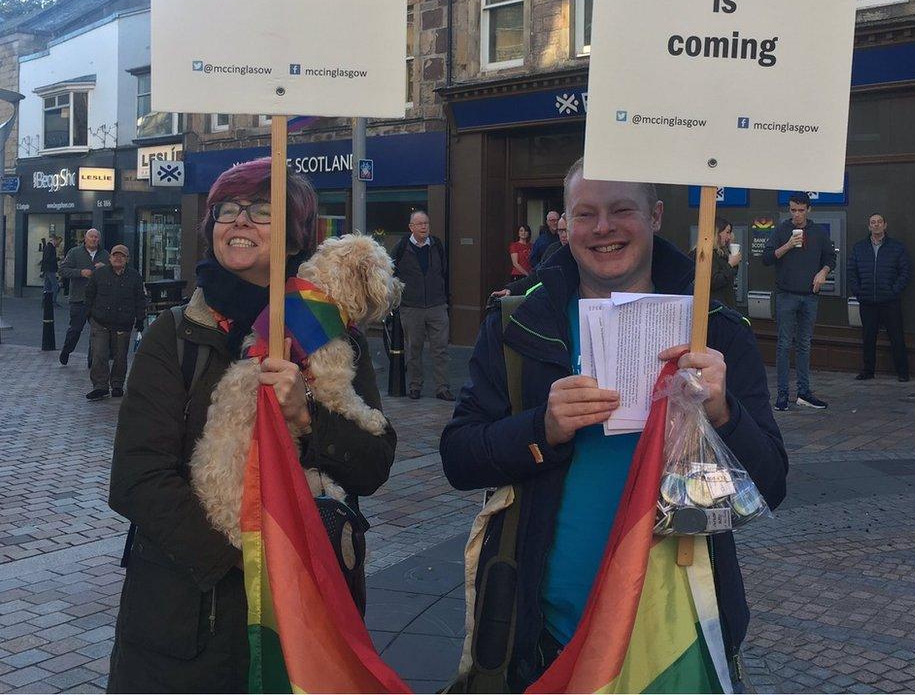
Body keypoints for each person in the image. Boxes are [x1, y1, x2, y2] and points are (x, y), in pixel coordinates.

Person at [440, 158, 787, 691]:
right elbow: (459, 456)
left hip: (679, 632)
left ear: (656, 216)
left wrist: (723, 414)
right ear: (564, 225)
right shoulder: (519, 324)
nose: (603, 228)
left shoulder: (716, 332)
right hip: (546, 629)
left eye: (622, 210)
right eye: (585, 214)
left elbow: (771, 484)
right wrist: (543, 428)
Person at [107, 158, 396, 693]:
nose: (239, 222)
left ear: (295, 236)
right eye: (226, 211)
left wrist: (306, 415)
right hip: (189, 620)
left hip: (309, 611)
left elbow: (374, 467)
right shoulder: (175, 335)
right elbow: (136, 479)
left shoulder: (330, 329)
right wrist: (254, 563)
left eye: (262, 212)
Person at [762, 193, 834, 412]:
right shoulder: (782, 230)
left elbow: (831, 258)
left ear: (809, 210)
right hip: (786, 295)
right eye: (793, 210)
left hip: (810, 295)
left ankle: (804, 393)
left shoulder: (819, 232)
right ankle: (782, 394)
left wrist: (823, 272)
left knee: (804, 344)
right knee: (784, 345)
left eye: (801, 210)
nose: (797, 214)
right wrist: (788, 245)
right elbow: (766, 258)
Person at [392, 210, 453, 401]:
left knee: (441, 349)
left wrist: (444, 299)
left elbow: (444, 271)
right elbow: (391, 273)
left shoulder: (436, 245)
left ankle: (442, 388)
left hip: (437, 305)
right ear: (411, 227)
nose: (424, 227)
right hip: (411, 307)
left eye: (426, 223)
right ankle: (415, 386)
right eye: (419, 224)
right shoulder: (402, 247)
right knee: (413, 349)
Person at [848, 213, 911, 382]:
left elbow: (905, 273)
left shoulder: (897, 248)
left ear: (885, 225)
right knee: (868, 338)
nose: (876, 225)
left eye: (879, 222)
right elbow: (851, 272)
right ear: (869, 226)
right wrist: (859, 292)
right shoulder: (859, 248)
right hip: (867, 301)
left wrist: (893, 290)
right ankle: (868, 371)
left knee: (896, 337)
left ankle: (903, 372)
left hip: (889, 301)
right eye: (872, 223)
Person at [84, 244, 147, 400]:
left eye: (122, 256)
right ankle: (100, 386)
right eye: (115, 255)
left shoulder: (135, 277)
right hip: (100, 321)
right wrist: (89, 316)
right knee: (99, 354)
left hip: (123, 323)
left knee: (120, 356)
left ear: (127, 259)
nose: (118, 258)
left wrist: (140, 318)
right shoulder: (99, 274)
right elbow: (89, 295)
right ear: (110, 257)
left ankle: (117, 384)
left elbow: (140, 299)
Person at [59, 229, 111, 365]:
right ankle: (66, 351)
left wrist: (105, 268)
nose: (94, 239)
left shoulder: (105, 255)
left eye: (96, 237)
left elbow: (113, 274)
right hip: (79, 298)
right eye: (91, 237)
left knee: (97, 332)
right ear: (85, 239)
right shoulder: (74, 252)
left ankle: (92, 360)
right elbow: (63, 270)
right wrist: (80, 272)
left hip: (97, 300)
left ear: (99, 240)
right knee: (75, 329)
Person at [706, 216, 742, 309]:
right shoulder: (707, 254)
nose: (729, 236)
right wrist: (730, 265)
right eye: (727, 232)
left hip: (726, 306)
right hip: (714, 309)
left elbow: (731, 275)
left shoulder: (721, 252)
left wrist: (733, 262)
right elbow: (714, 282)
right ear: (717, 232)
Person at [40, 234, 63, 305]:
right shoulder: (50, 248)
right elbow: (48, 259)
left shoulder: (49, 247)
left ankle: (45, 300)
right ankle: (53, 301)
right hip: (50, 269)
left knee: (47, 285)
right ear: (55, 240)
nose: (59, 244)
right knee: (55, 286)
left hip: (48, 269)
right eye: (59, 242)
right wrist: (59, 258)